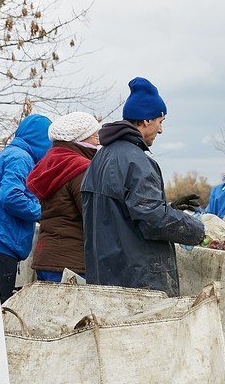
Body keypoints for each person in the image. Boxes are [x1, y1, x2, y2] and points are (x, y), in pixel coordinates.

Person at [80, 77, 205, 296]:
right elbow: (152, 220)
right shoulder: (136, 161)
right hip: (137, 281)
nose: (161, 130)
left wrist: (168, 208)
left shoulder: (100, 158)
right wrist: (195, 228)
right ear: (146, 121)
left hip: (104, 275)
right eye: (160, 121)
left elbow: (124, 214)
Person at [0, 113, 51, 302]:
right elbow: (11, 197)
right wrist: (43, 213)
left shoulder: (8, 153)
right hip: (1, 242)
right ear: (41, 139)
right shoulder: (21, 158)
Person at [26, 112, 101, 283]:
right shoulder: (80, 169)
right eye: (95, 137)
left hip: (45, 257)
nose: (98, 143)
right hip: (72, 262)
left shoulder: (48, 165)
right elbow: (93, 217)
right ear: (80, 138)